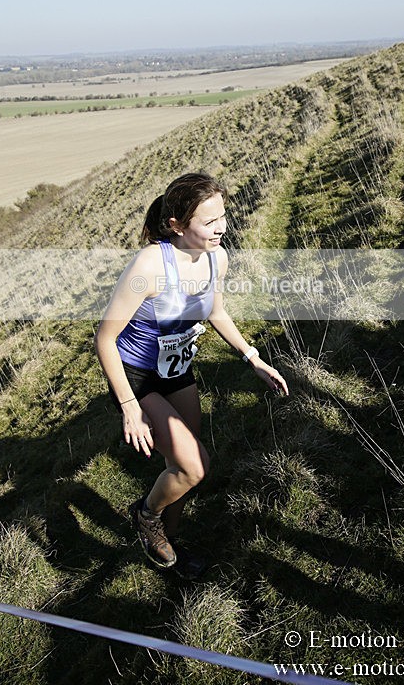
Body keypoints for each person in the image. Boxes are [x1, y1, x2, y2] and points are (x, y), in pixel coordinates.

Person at [94, 172, 288, 577]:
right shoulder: (150, 264)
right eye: (209, 221)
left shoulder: (218, 256)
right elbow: (105, 338)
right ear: (177, 225)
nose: (222, 228)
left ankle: (170, 546)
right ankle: (146, 516)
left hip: (177, 370)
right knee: (194, 466)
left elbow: (215, 311)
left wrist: (252, 357)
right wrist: (129, 407)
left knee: (181, 468)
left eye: (223, 216)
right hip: (137, 377)